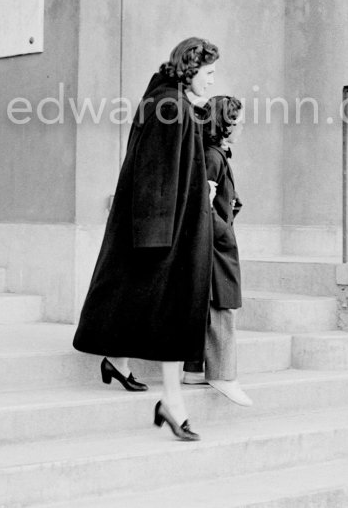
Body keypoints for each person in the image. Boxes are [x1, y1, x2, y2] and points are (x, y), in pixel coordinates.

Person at [73, 37, 219, 441]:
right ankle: (171, 403)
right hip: (169, 236)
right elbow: (154, 173)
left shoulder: (170, 102)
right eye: (209, 73)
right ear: (191, 70)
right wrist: (159, 238)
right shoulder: (169, 106)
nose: (213, 81)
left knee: (155, 307)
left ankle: (121, 365)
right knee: (173, 313)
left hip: (172, 231)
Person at [183, 95, 252, 407]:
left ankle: (195, 368)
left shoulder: (217, 155)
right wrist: (223, 230)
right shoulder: (212, 157)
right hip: (214, 243)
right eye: (237, 121)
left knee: (209, 303)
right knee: (220, 305)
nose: (241, 127)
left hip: (215, 240)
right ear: (225, 126)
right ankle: (223, 375)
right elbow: (201, 205)